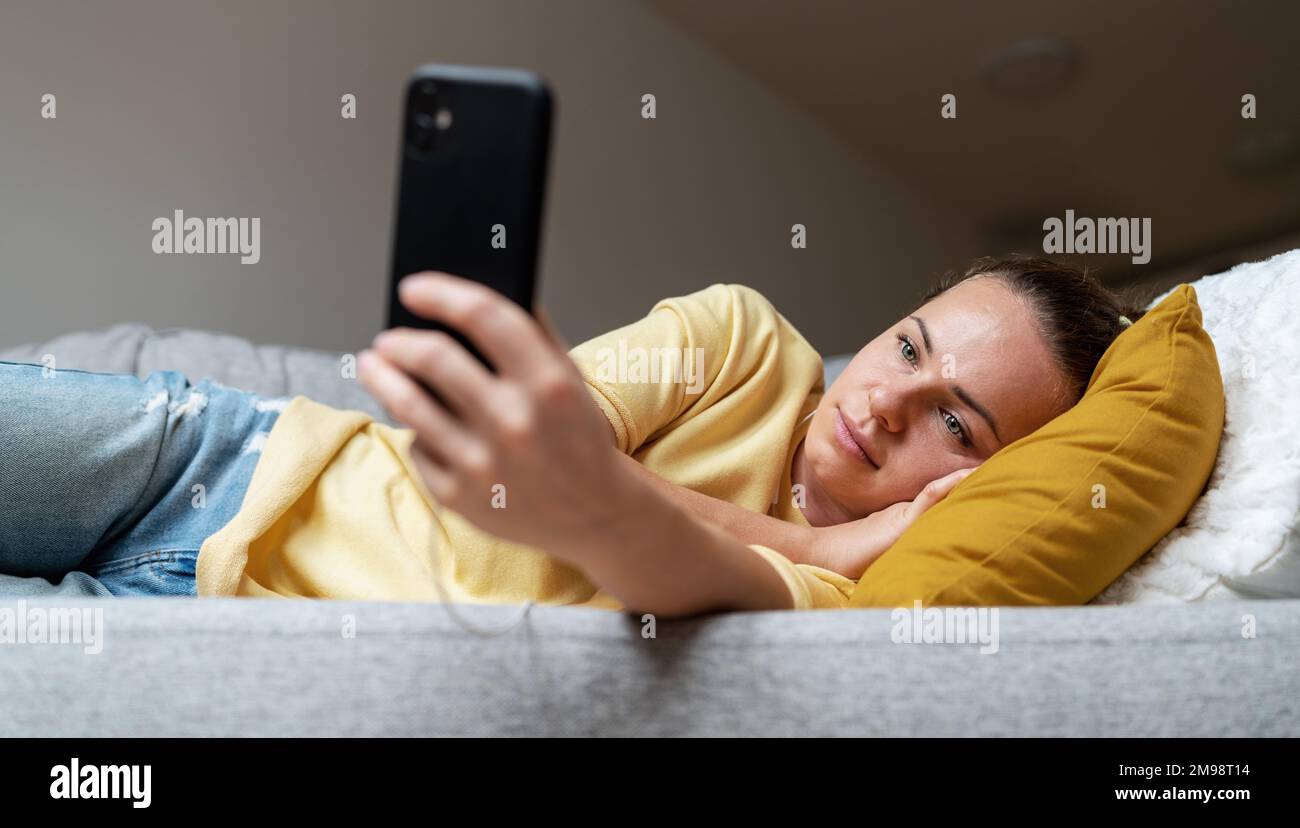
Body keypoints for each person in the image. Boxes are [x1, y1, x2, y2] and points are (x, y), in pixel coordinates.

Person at [0, 255, 1146, 615]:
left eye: (954, 417)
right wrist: (801, 542)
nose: (886, 398)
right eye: (906, 344)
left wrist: (819, 560)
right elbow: (504, 474)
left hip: (210, 622)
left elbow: (637, 548)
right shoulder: (745, 340)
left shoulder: (870, 596)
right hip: (220, 463)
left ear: (995, 476)